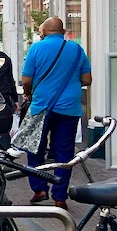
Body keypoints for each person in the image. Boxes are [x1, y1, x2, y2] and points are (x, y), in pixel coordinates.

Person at [21, 16, 92, 210]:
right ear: (63, 32)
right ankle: (60, 197)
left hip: (41, 107)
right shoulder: (77, 49)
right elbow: (87, 79)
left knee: (34, 147)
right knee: (64, 153)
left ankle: (39, 188)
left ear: (44, 32)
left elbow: (26, 80)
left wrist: (28, 93)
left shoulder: (36, 48)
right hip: (69, 108)